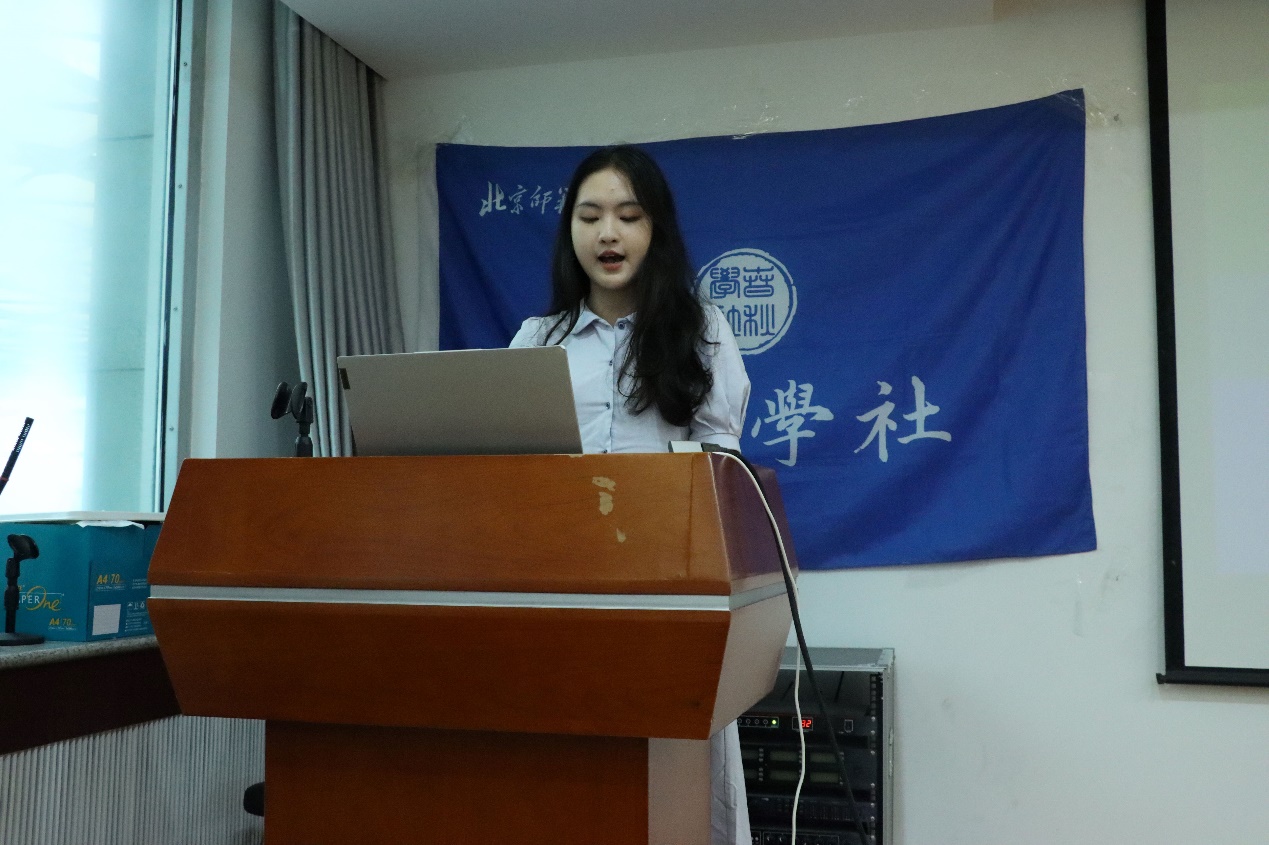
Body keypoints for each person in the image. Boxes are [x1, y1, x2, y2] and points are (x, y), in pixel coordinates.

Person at [510, 145, 752, 845]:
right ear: (570, 231)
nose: (607, 234)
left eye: (627, 216)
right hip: (562, 595)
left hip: (668, 594)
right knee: (572, 782)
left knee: (677, 785)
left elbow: (720, 471)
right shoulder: (538, 338)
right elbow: (511, 475)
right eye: (589, 217)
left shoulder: (701, 330)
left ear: (656, 229)